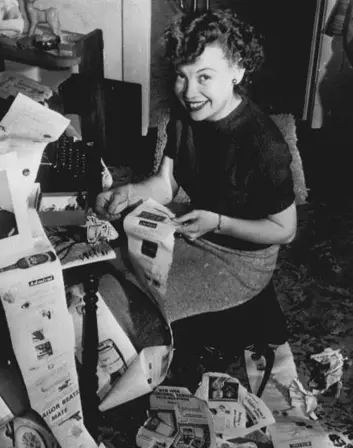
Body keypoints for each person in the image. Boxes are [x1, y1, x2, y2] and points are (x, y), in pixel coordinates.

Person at [95, 9, 297, 368]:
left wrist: (218, 222)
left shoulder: (263, 145)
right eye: (181, 76)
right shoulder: (184, 113)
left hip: (241, 258)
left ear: (237, 71)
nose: (189, 92)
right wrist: (131, 192)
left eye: (204, 76)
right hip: (194, 225)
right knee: (108, 269)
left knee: (135, 312)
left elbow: (285, 230)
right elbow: (166, 184)